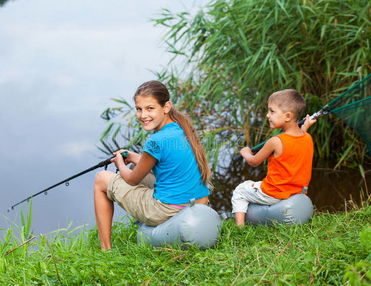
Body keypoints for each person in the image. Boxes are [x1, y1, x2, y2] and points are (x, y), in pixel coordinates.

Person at [94, 80, 212, 250]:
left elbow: (133, 180)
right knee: (136, 166)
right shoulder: (182, 128)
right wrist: (134, 157)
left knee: (101, 179)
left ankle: (105, 248)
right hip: (197, 203)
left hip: (167, 210)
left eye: (150, 108)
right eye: (139, 109)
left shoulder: (155, 140)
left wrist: (120, 164)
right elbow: (165, 163)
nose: (143, 115)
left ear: (166, 107)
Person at [231, 89, 316, 226]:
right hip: (297, 191)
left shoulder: (276, 141)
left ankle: (239, 227)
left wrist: (245, 152)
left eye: (272, 111)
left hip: (274, 193)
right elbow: (297, 140)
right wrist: (305, 128)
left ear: (287, 116)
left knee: (240, 190)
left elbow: (254, 162)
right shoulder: (307, 137)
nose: (267, 115)